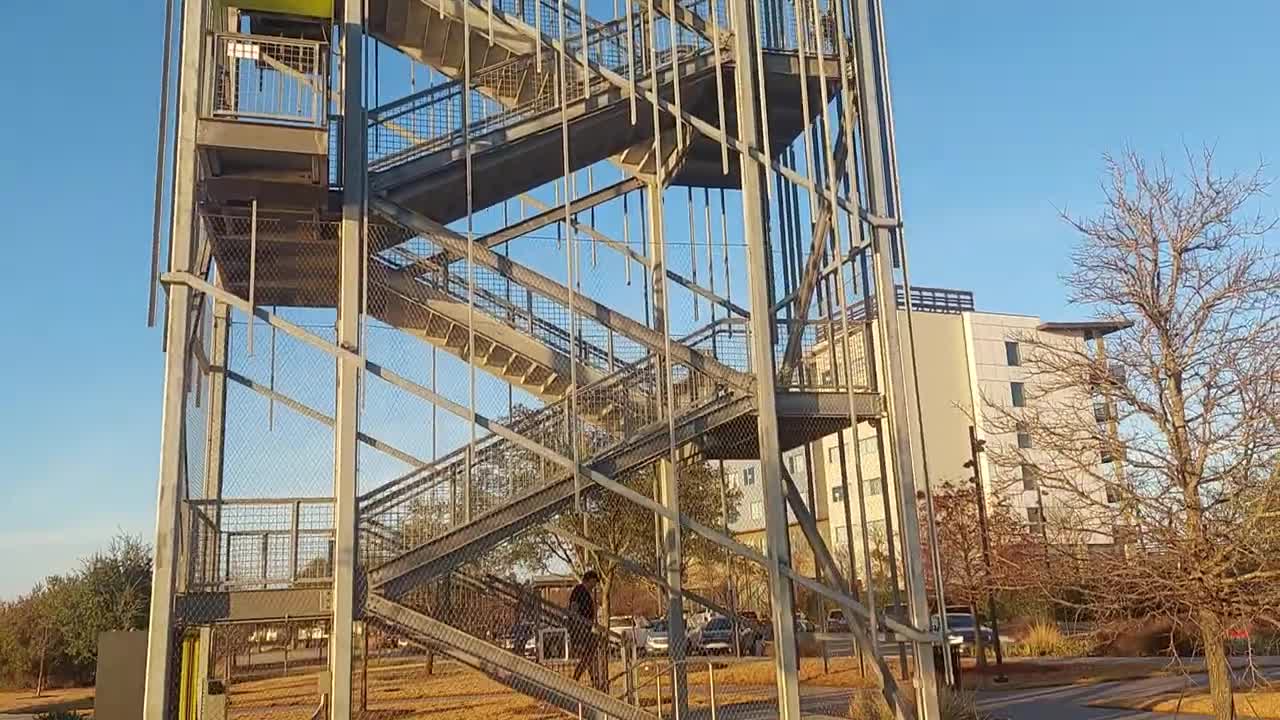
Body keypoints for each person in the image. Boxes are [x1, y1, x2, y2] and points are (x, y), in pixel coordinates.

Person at [569, 570, 605, 690]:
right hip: (580, 629)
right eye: (594, 583)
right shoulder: (579, 590)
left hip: (586, 628)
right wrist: (578, 624)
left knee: (589, 656)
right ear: (589, 579)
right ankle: (580, 679)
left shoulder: (586, 593)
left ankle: (592, 680)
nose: (594, 586)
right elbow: (574, 608)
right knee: (588, 654)